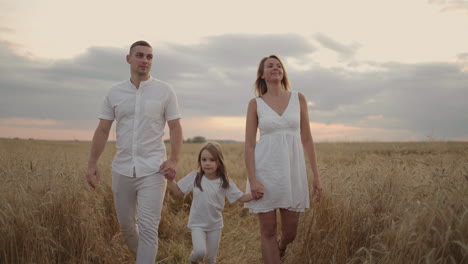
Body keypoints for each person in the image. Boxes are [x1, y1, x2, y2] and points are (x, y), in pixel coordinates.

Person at [86, 40, 183, 264]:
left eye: (149, 57)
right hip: (122, 169)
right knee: (127, 227)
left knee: (149, 228)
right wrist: (92, 165)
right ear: (129, 59)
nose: (145, 60)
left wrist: (174, 160)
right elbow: (102, 129)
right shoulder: (114, 93)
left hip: (153, 169)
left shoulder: (165, 91)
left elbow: (175, 127)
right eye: (140, 55)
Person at [244, 55, 323, 263]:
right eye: (270, 66)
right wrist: (253, 180)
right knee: (268, 231)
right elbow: (250, 144)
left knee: (290, 232)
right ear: (262, 75)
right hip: (265, 172)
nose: (275, 68)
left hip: (292, 173)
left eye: (279, 66)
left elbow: (306, 138)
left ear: (283, 72)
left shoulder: (299, 98)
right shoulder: (256, 104)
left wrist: (316, 176)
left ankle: (282, 246)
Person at [165, 142, 258, 264]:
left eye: (212, 160)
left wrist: (256, 194)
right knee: (199, 252)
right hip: (197, 224)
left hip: (215, 225)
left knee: (210, 260)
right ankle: (191, 261)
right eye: (204, 159)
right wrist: (170, 180)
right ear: (200, 161)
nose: (207, 163)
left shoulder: (224, 182)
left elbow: (241, 197)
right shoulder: (195, 177)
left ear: (219, 162)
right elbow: (177, 191)